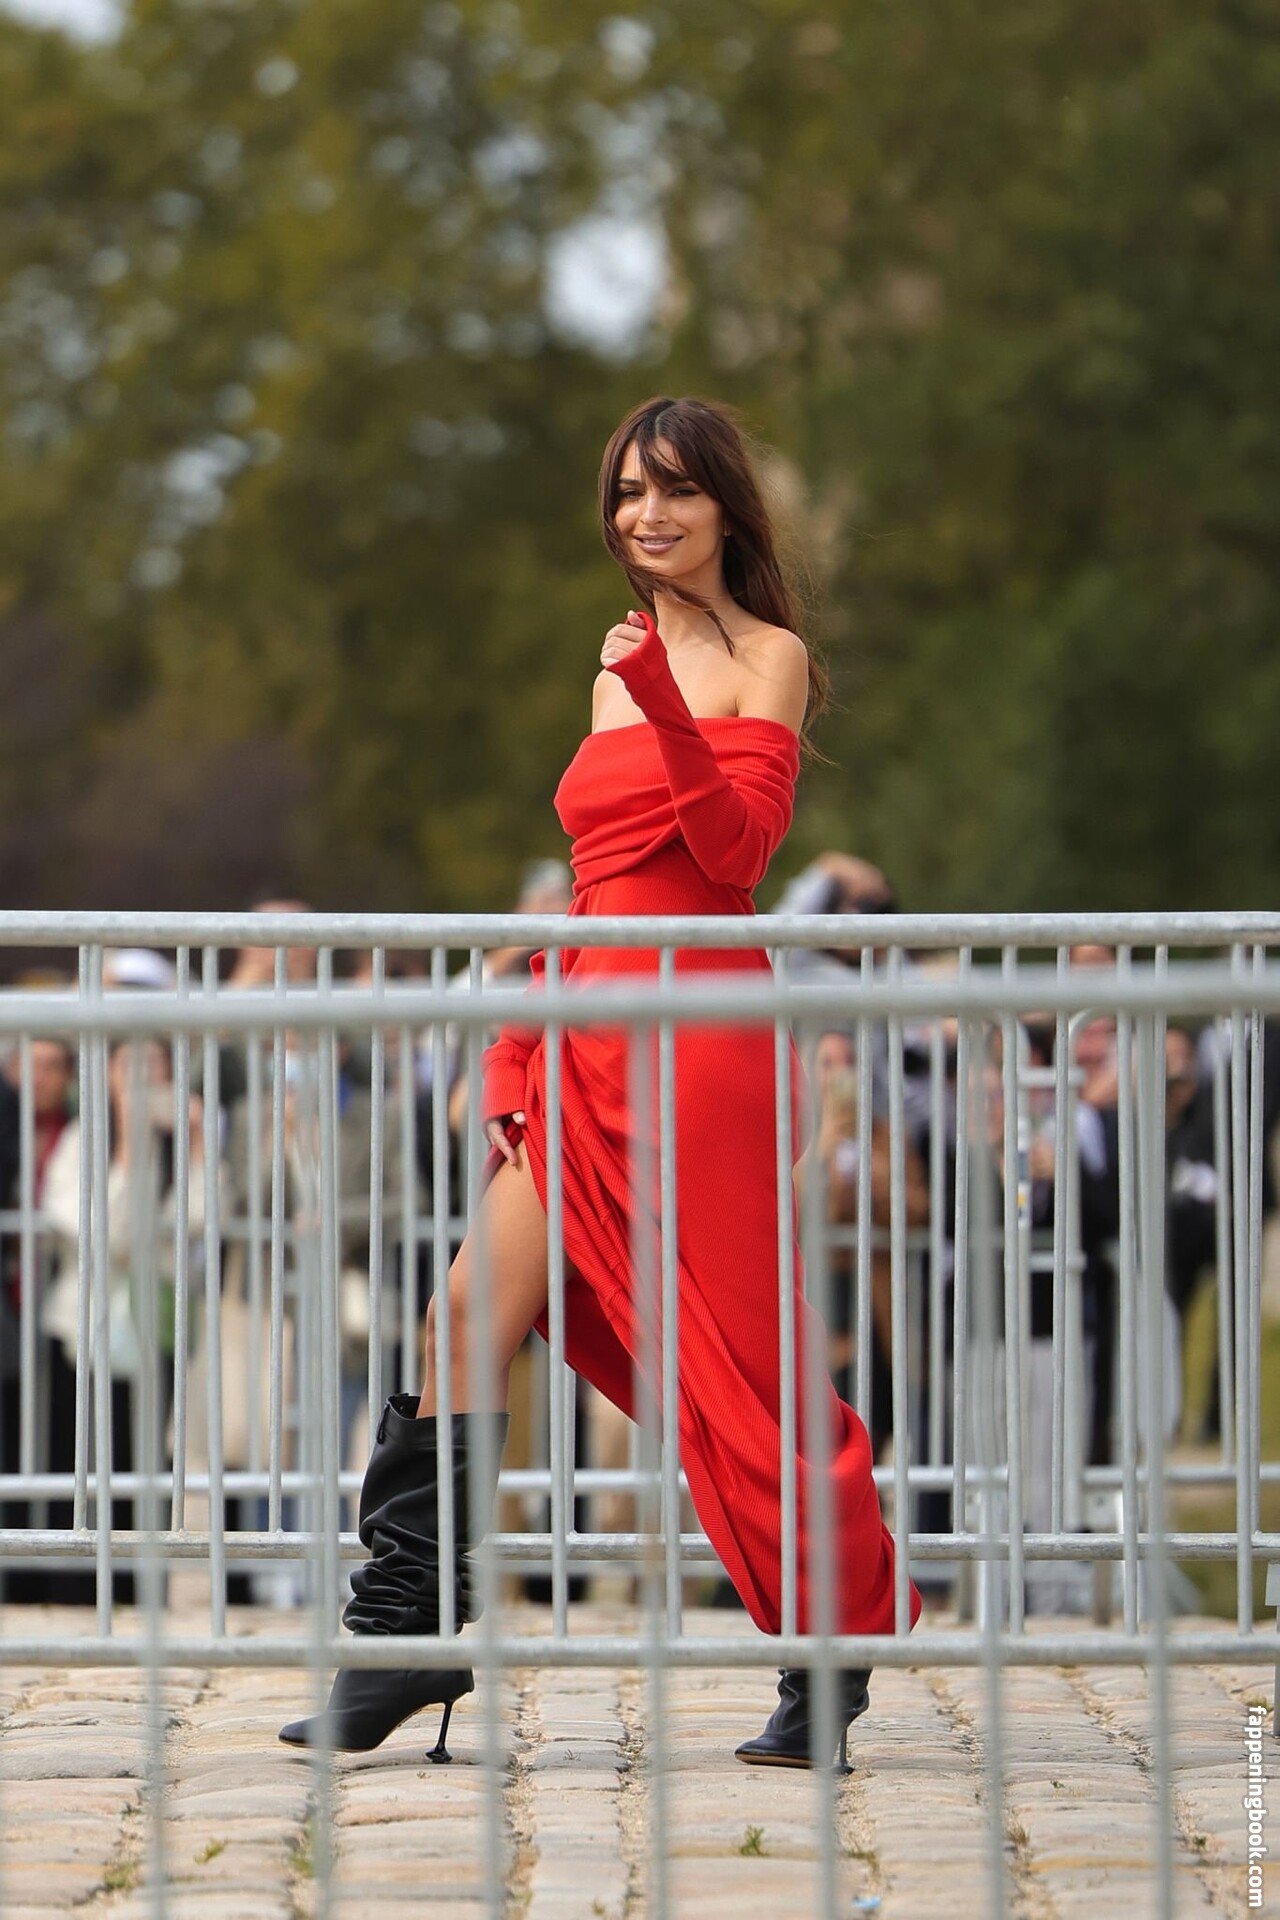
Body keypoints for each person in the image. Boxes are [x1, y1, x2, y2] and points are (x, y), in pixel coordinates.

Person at [280, 393, 919, 1767]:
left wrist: (665, 703)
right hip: (586, 1030)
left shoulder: (769, 657)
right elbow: (593, 891)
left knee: (740, 1362)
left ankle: (829, 1642)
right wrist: (519, 1042)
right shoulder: (612, 666)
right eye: (629, 491)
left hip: (701, 1043)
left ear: (726, 506)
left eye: (676, 489)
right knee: (464, 1312)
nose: (648, 515)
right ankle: (406, 1641)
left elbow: (737, 855)